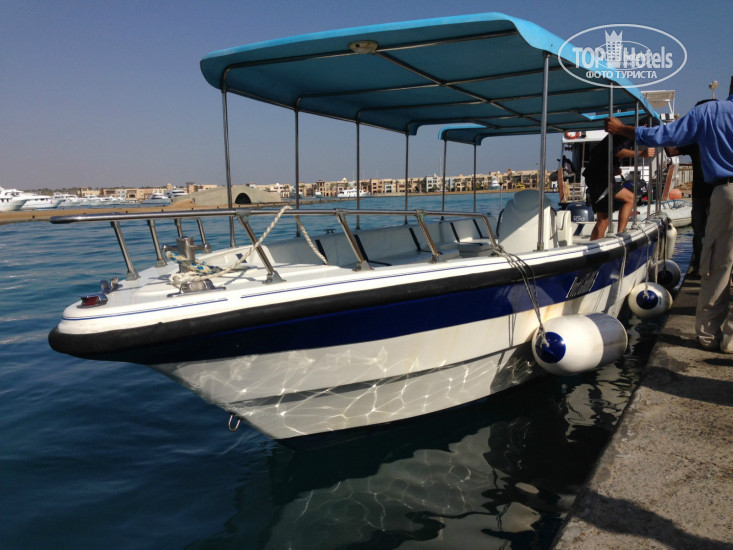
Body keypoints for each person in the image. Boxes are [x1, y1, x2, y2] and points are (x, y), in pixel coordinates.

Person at [605, 77, 733, 352]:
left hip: (726, 192)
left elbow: (664, 136)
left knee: (717, 263)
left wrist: (621, 128)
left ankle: (710, 335)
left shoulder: (711, 111)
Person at [583, 134, 654, 240]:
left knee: (604, 218)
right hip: (600, 178)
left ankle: (598, 244)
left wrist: (614, 169)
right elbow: (617, 151)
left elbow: (598, 152)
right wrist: (641, 154)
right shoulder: (624, 135)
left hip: (602, 176)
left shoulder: (618, 136)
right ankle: (620, 234)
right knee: (629, 199)